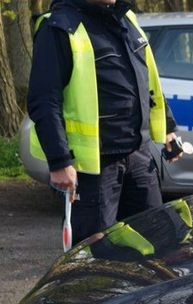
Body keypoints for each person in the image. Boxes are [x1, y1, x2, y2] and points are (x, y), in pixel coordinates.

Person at [27, 0, 181, 244]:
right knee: (96, 257)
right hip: (93, 171)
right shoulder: (59, 26)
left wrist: (168, 128)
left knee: (154, 243)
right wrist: (59, 161)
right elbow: (44, 100)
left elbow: (148, 80)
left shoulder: (126, 18)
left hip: (138, 157)